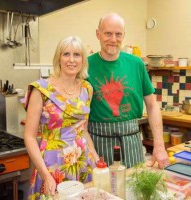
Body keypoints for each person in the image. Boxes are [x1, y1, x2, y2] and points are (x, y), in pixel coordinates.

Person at [87, 13, 169, 169]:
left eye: (118, 34)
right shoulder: (86, 65)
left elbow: (152, 105)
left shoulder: (136, 64)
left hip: (132, 141)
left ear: (123, 35)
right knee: (104, 190)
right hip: (98, 143)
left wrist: (159, 145)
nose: (113, 39)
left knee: (135, 187)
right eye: (108, 33)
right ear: (98, 34)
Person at [24, 36, 99, 199]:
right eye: (66, 54)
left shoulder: (87, 88)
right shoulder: (41, 89)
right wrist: (45, 175)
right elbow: (29, 137)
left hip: (82, 163)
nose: (71, 60)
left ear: (83, 60)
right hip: (52, 166)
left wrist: (96, 158)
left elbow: (83, 131)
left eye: (77, 55)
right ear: (58, 57)